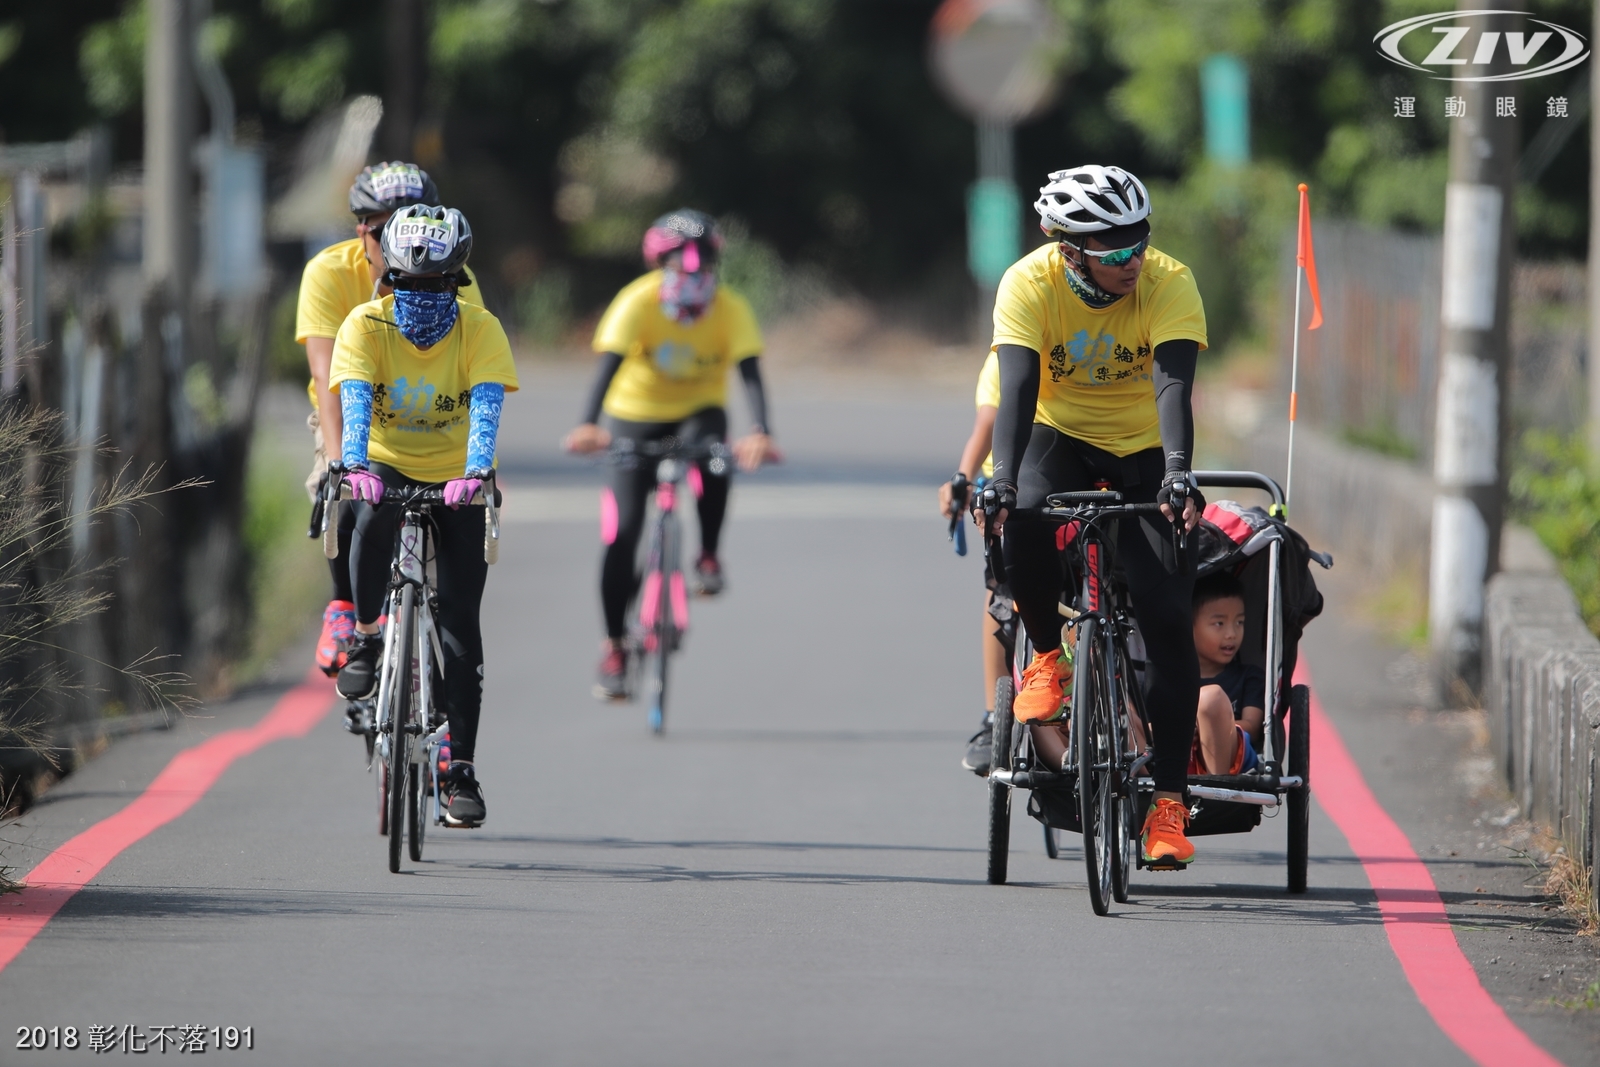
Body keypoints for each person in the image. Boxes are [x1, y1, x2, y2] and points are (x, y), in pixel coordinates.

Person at [976, 164, 1208, 869]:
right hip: (1058, 433)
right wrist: (1002, 480)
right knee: (1021, 515)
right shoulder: (1028, 282)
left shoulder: (1169, 281)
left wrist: (1175, 472)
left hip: (1143, 444)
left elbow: (1173, 382)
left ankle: (1167, 805)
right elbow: (1016, 386)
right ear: (1067, 248)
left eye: (1139, 242)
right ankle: (1048, 657)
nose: (1132, 261)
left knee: (1168, 614)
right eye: (1113, 252)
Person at [329, 204, 518, 827]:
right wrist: (353, 465)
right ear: (390, 277)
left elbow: (486, 410)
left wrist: (476, 473)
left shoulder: (481, 328)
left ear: (456, 281)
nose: (422, 296)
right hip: (384, 461)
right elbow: (354, 402)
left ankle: (460, 765)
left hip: (454, 475)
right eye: (409, 283)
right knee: (369, 508)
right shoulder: (364, 324)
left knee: (462, 619)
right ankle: (364, 634)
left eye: (437, 285)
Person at [563, 209, 776, 701]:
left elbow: (749, 373)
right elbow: (607, 366)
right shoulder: (636, 302)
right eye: (681, 266)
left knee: (718, 457)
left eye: (702, 268)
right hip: (633, 418)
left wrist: (762, 431)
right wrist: (589, 426)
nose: (693, 276)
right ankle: (615, 645)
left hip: (695, 418)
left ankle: (707, 555)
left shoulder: (730, 306)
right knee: (621, 536)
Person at [295, 161, 481, 682]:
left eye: (417, 228)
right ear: (361, 232)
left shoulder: (451, 272)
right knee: (350, 491)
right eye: (384, 230)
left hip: (434, 418)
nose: (405, 244)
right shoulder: (329, 273)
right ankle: (345, 607)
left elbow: (475, 374)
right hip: (354, 410)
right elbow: (325, 374)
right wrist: (338, 461)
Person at [939, 352, 1006, 774]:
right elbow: (989, 422)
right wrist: (963, 478)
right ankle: (994, 715)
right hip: (1014, 474)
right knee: (1003, 584)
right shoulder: (1016, 340)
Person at [1190, 571, 1264, 776]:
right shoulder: (1170, 677)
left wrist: (1207, 729)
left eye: (1239, 622)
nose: (1231, 633)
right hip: (1178, 756)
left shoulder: (1249, 677)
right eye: (1219, 624)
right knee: (1125, 711)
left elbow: (1253, 727)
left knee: (1211, 699)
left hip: (1232, 760)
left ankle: (1217, 794)